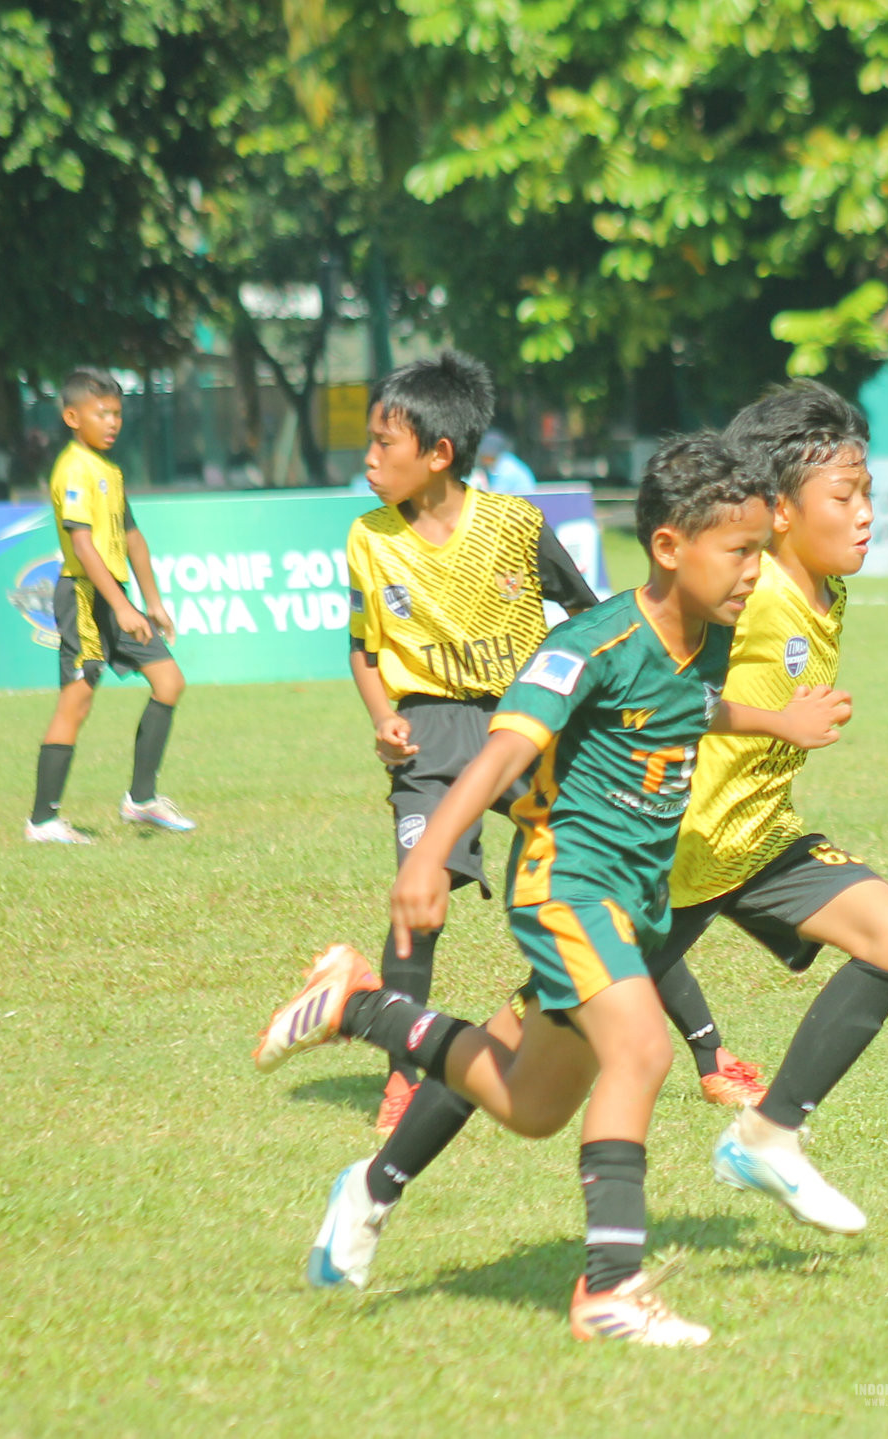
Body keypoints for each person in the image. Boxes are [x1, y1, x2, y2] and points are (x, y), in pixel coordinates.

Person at [253, 433, 851, 1347]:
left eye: (759, 552)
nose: (751, 571)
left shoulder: (715, 633)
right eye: (738, 552)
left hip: (636, 895)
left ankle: (360, 1008)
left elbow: (687, 709)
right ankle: (610, 1288)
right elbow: (501, 750)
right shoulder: (592, 641)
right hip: (567, 880)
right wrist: (425, 860)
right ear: (667, 548)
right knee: (643, 1053)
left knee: (531, 1105)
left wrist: (781, 720)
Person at [647, 381, 888, 1238]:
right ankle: (361, 1014)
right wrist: (781, 720)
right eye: (845, 497)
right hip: (669, 852)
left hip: (756, 843)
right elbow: (651, 697)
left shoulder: (825, 590)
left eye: (868, 493)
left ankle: (768, 1132)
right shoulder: (747, 588)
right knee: (522, 1078)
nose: (867, 514)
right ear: (775, 512)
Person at [343, 349, 598, 1136]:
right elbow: (360, 645)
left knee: (593, 878)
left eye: (384, 445)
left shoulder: (516, 524)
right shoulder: (368, 537)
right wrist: (383, 712)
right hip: (429, 731)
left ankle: (707, 1053)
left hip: (519, 723)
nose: (369, 459)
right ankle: (402, 1072)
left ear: (439, 453)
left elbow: (587, 611)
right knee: (416, 903)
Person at [26, 368, 193, 843]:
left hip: (116, 596)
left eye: (118, 413)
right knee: (76, 702)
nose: (113, 422)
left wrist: (152, 602)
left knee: (169, 681)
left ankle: (141, 801)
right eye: (102, 413)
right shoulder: (74, 468)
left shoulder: (110, 471)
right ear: (72, 417)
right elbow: (82, 546)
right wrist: (122, 606)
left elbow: (132, 537)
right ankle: (42, 821)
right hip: (84, 595)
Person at [473, 430, 538, 494]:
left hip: (525, 501)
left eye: (483, 453)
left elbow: (497, 496)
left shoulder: (507, 469)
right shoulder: (498, 464)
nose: (481, 458)